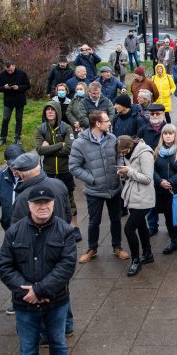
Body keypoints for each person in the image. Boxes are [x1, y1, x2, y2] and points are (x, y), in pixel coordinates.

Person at [0, 187, 78, 355]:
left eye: (47, 202)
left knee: (59, 343)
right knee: (27, 348)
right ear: (29, 206)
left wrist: (40, 291)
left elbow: (66, 267)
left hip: (56, 302)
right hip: (25, 304)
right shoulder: (14, 232)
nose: (43, 207)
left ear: (53, 204)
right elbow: (4, 266)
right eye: (38, 203)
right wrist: (28, 293)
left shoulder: (65, 231)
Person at [70, 110, 127, 264]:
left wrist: (121, 170)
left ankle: (117, 247)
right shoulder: (79, 143)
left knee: (116, 219)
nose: (110, 123)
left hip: (114, 187)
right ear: (97, 123)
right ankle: (92, 249)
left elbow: (119, 156)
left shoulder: (112, 138)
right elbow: (74, 167)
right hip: (94, 190)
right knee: (94, 221)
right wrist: (92, 180)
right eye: (107, 120)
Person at [116, 135, 155, 276]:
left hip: (143, 198)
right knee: (141, 225)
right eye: (121, 152)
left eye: (124, 151)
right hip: (133, 197)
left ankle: (135, 260)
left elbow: (147, 178)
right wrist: (123, 173)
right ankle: (148, 254)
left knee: (129, 229)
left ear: (131, 145)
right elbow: (131, 175)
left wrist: (129, 171)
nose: (123, 154)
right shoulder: (129, 152)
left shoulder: (144, 154)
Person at [35, 102, 76, 224]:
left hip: (65, 170)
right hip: (48, 172)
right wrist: (59, 145)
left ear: (57, 111)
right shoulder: (40, 129)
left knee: (69, 200)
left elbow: (69, 148)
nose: (50, 111)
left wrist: (48, 149)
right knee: (49, 200)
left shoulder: (66, 128)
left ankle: (75, 227)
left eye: (52, 109)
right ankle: (54, 227)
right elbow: (39, 150)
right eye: (47, 109)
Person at [0, 61, 31, 146]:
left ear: (14, 66)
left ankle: (17, 138)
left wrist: (18, 87)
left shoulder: (22, 74)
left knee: (19, 119)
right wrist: (4, 87)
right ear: (5, 68)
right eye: (8, 70)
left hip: (19, 100)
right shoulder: (2, 75)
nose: (9, 72)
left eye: (11, 70)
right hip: (8, 101)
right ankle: (3, 138)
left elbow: (27, 85)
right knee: (5, 119)